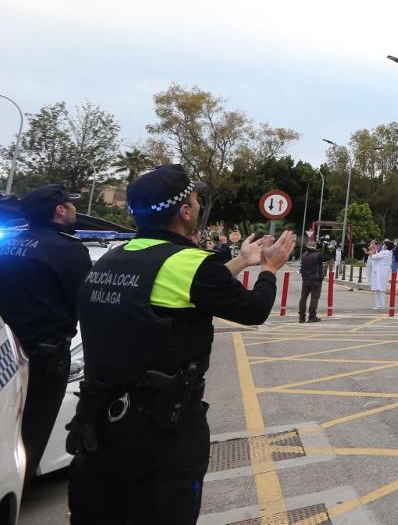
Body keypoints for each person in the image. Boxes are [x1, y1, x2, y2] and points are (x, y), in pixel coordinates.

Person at [68, 164, 292, 524]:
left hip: (99, 423)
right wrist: (269, 269)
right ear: (185, 211)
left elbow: (189, 288)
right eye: (197, 198)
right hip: (161, 431)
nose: (199, 204)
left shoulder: (115, 256)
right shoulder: (192, 263)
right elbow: (253, 310)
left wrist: (241, 260)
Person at [0, 184, 91, 482]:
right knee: (30, 437)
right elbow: (85, 301)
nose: (75, 209)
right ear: (60, 210)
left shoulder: (7, 244)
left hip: (6, 350)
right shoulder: (68, 250)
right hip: (43, 360)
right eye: (71, 204)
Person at [298, 242, 329, 322]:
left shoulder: (303, 255)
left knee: (303, 298)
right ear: (314, 247)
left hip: (305, 279)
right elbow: (328, 256)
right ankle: (312, 317)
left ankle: (301, 317)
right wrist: (326, 246)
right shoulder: (318, 255)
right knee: (314, 298)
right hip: (316, 280)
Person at [367, 239, 395, 310]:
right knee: (380, 289)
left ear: (387, 246)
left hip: (379, 273)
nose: (383, 246)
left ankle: (380, 305)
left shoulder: (384, 252)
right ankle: (380, 305)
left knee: (378, 289)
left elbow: (373, 256)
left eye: (384, 244)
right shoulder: (389, 252)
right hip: (383, 273)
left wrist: (372, 250)